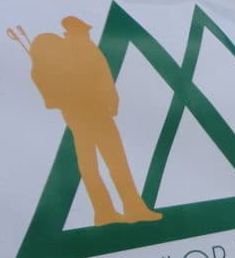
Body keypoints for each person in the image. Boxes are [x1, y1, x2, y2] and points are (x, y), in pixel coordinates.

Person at [28, 16, 162, 227]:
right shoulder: (79, 50)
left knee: (92, 164)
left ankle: (110, 212)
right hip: (93, 112)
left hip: (79, 113)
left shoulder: (63, 51)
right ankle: (125, 209)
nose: (87, 33)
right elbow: (101, 78)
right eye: (83, 30)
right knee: (110, 162)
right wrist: (111, 102)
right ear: (75, 31)